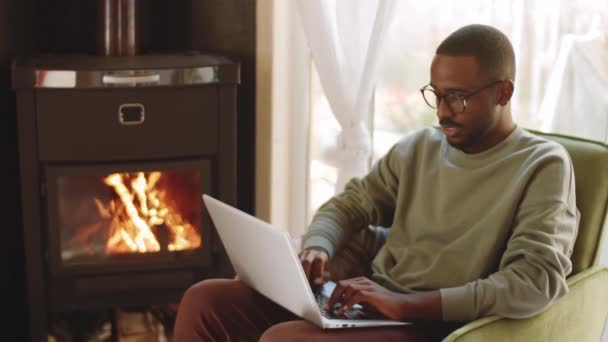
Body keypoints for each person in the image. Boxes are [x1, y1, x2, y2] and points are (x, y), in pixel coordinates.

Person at [172, 24, 579, 341]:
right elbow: (351, 205)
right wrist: (318, 245)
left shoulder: (542, 165)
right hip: (371, 304)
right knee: (205, 300)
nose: (441, 112)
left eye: (456, 97)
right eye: (435, 94)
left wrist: (407, 306)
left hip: (435, 325)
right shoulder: (419, 148)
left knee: (286, 339)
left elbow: (535, 282)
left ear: (503, 92)